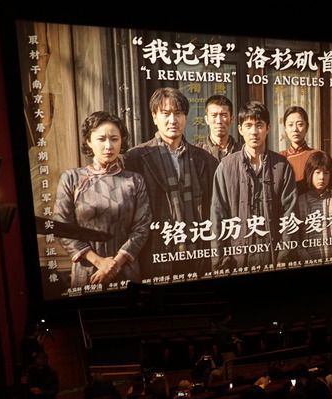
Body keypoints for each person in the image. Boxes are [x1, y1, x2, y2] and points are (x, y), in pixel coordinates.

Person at [124, 87, 219, 280]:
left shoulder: (204, 160)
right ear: (154, 117)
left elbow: (215, 210)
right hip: (156, 254)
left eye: (178, 113)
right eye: (165, 113)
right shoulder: (136, 158)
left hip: (198, 253)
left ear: (186, 117)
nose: (173, 120)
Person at [53, 111, 151, 288]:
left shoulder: (134, 180)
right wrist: (99, 262)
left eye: (114, 139)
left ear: (121, 141)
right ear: (89, 142)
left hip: (126, 269)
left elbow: (142, 227)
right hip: (87, 270)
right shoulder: (72, 179)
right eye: (101, 139)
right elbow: (62, 226)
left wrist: (115, 264)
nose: (108, 146)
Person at [210, 100, 297, 270]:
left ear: (268, 128)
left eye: (259, 125)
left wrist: (284, 257)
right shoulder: (226, 167)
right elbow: (217, 217)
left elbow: (290, 214)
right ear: (240, 129)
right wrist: (221, 262)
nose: (254, 132)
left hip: (273, 258)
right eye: (248, 126)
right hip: (237, 260)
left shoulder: (282, 166)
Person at [295, 151, 332, 263]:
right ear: (310, 174)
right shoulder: (300, 202)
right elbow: (295, 239)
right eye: (317, 172)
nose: (322, 177)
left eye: (326, 173)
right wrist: (308, 261)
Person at [279, 106, 317, 192]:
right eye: (290, 125)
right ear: (285, 129)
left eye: (300, 124)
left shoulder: (316, 155)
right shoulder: (279, 158)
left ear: (307, 127)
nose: (295, 129)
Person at [196, 94, 242, 161]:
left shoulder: (242, 151)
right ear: (207, 119)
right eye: (214, 115)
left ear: (231, 119)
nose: (219, 121)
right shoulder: (196, 152)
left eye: (224, 115)